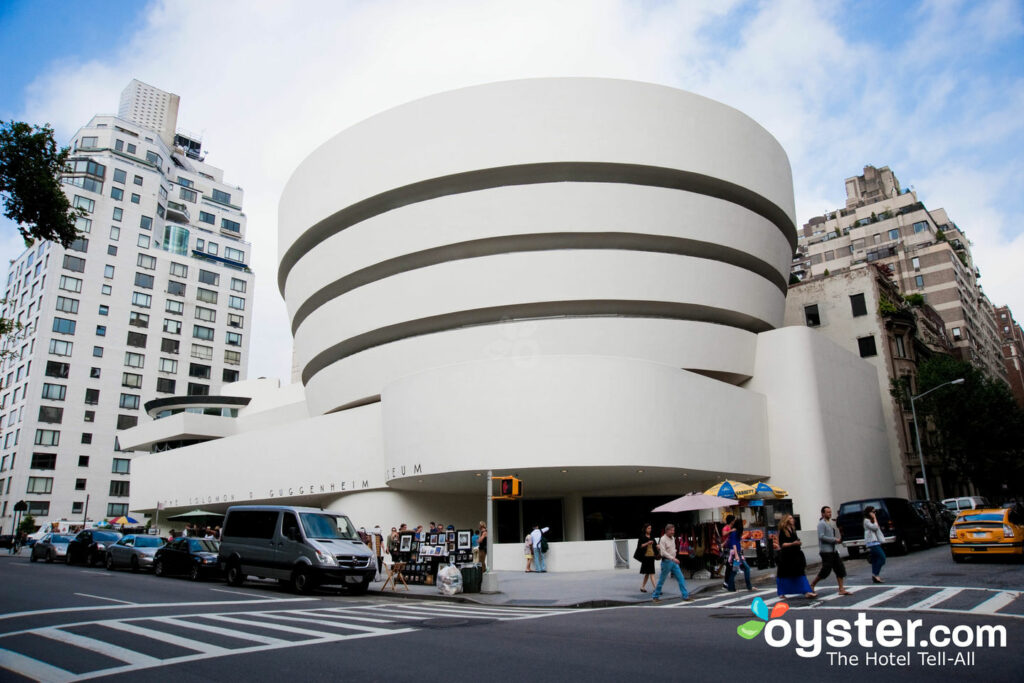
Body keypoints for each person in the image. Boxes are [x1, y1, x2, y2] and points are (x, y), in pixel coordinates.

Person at [811, 506, 852, 595]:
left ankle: (841, 589)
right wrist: (834, 540)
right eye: (828, 512)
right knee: (826, 570)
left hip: (833, 550)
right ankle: (812, 584)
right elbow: (821, 537)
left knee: (840, 568)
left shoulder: (830, 523)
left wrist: (837, 540)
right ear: (823, 513)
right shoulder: (821, 524)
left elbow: (831, 535)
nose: (830, 513)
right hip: (826, 551)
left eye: (830, 512)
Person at [775, 514, 816, 598]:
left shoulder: (793, 529)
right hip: (787, 556)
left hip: (795, 554)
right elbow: (782, 544)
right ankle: (782, 592)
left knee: (800, 572)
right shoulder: (783, 530)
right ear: (785, 520)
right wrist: (793, 543)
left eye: (792, 518)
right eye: (790, 518)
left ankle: (806, 591)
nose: (792, 519)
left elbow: (793, 540)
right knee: (784, 574)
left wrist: (798, 542)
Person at [651, 524, 692, 603]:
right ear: (667, 531)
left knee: (681, 578)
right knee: (661, 580)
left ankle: (685, 595)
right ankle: (655, 596)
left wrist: (674, 557)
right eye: (671, 530)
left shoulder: (672, 538)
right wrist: (673, 558)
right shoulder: (663, 539)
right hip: (667, 561)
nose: (673, 532)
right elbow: (663, 552)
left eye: (673, 530)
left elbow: (672, 549)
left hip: (673, 561)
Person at [725, 519, 752, 592]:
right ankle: (748, 586)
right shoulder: (734, 532)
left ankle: (731, 587)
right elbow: (734, 544)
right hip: (735, 553)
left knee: (735, 570)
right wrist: (737, 555)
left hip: (737, 553)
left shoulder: (735, 532)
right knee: (741, 569)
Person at [863, 506, 886, 583]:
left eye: (875, 512)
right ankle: (875, 574)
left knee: (875, 559)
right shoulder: (866, 520)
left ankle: (875, 575)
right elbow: (875, 527)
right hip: (872, 542)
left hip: (876, 541)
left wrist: (874, 518)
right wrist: (875, 518)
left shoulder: (870, 520)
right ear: (868, 513)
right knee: (882, 558)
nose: (874, 513)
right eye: (873, 512)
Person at [637, 522, 657, 592]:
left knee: (648, 573)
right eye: (648, 528)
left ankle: (642, 587)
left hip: (651, 556)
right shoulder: (642, 536)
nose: (650, 529)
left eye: (650, 528)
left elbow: (655, 544)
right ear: (645, 529)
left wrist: (658, 546)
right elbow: (640, 546)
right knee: (651, 573)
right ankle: (656, 589)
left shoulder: (652, 536)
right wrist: (647, 543)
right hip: (646, 557)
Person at [720, 514, 735, 590]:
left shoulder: (731, 527)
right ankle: (726, 583)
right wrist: (730, 531)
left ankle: (728, 583)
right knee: (729, 566)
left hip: (731, 548)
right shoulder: (726, 527)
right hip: (727, 549)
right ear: (731, 521)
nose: (734, 521)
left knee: (731, 567)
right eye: (733, 520)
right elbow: (723, 533)